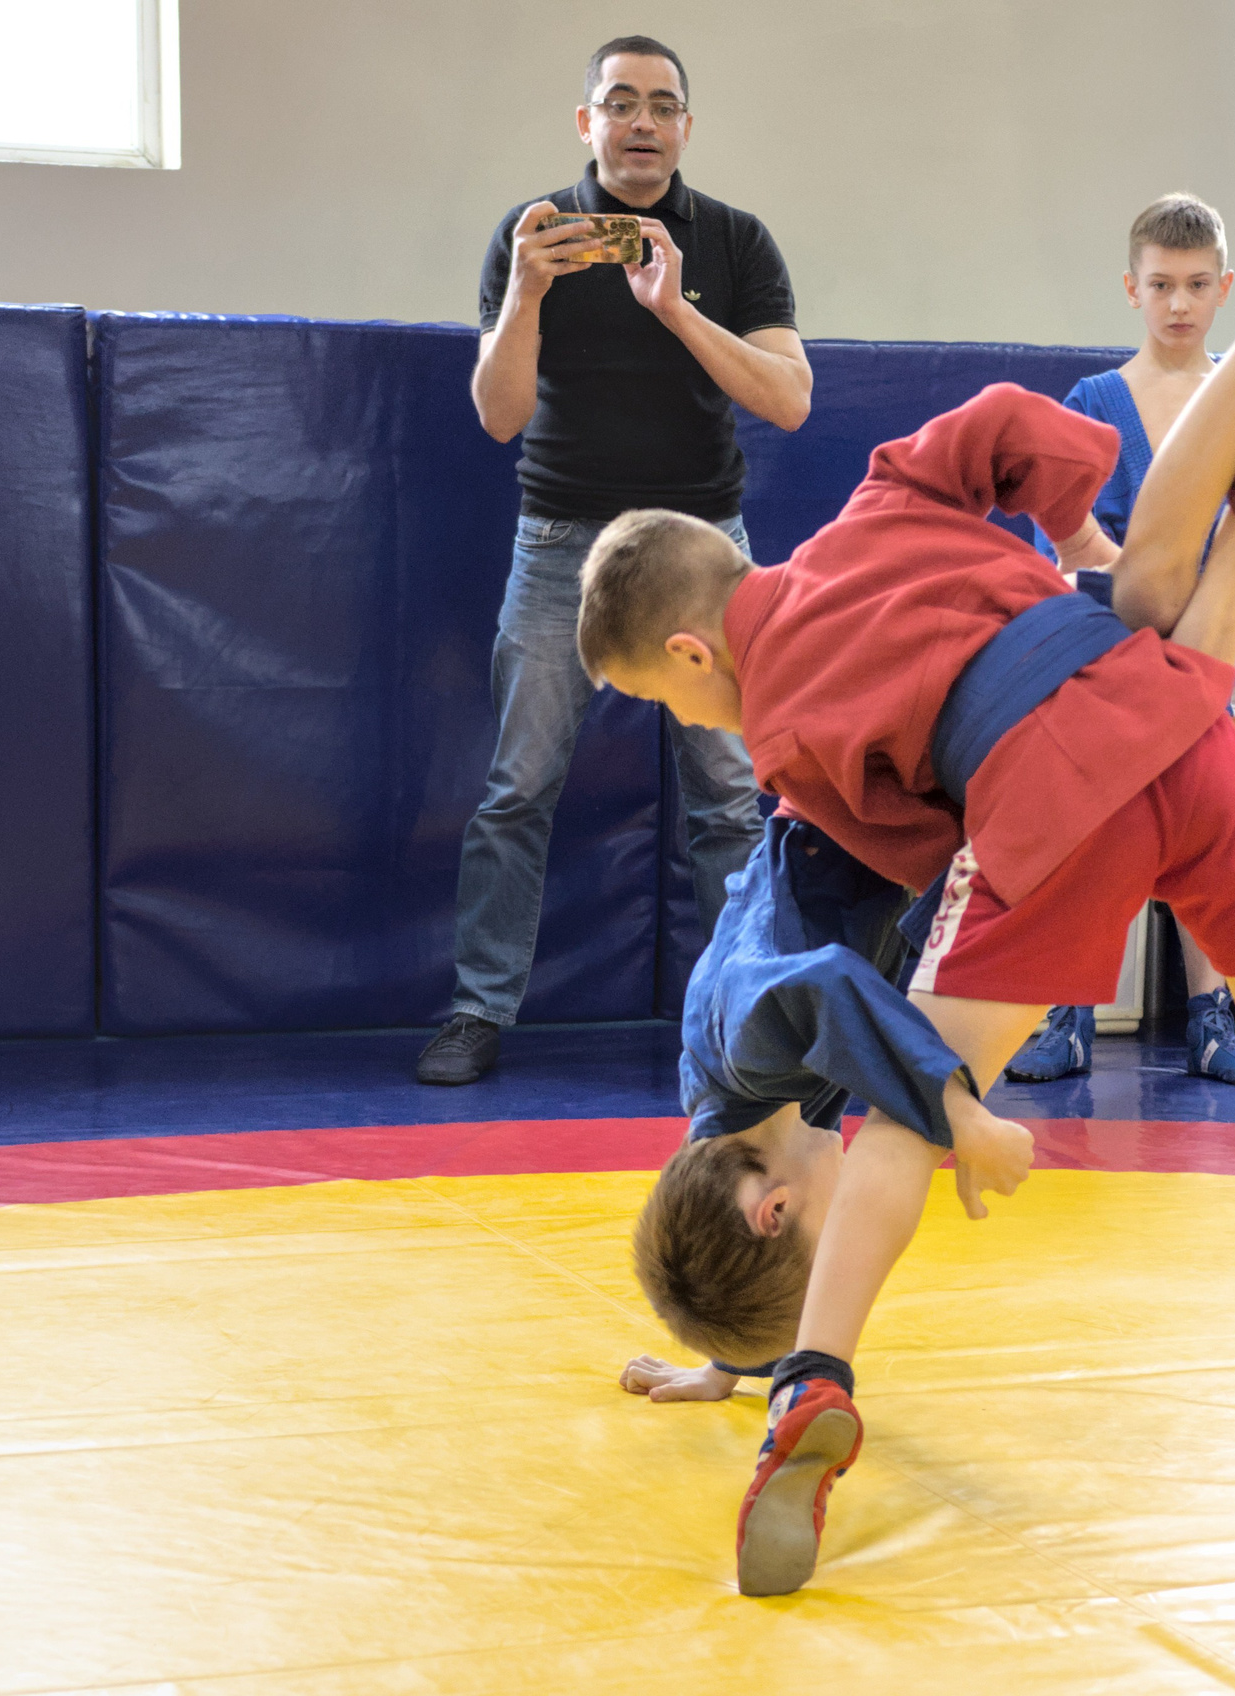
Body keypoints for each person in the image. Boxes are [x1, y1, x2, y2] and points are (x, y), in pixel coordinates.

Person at [577, 196, 1235, 1598]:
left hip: (1041, 778)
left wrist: (962, 1094)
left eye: (673, 702)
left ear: (688, 652)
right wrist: (1071, 527)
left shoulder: (778, 737)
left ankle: (812, 1393)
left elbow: (925, 854)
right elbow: (1012, 421)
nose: (700, 726)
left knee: (908, 1098)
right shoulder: (881, 494)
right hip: (1166, 732)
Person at [417, 35, 812, 1087]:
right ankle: (477, 1007)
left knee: (731, 794)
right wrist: (529, 295)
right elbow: (497, 418)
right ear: (586, 123)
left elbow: (789, 399)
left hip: (703, 554)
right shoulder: (533, 232)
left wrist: (674, 306)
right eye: (620, 102)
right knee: (516, 786)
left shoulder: (733, 241)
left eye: (663, 105)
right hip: (560, 544)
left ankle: (751, 1013)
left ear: (686, 126)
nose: (642, 122)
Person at [1009, 192, 1235, 1089]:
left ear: (1225, 291)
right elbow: (1053, 540)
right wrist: (1137, 581)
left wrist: (1207, 598)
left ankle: (1212, 1020)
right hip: (1106, 659)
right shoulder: (1093, 404)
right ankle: (1068, 1010)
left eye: (1197, 285)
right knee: (1089, 830)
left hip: (1212, 662)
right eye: (1162, 284)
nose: (1179, 303)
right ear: (1131, 288)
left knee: (1210, 830)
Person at [619, 807, 1034, 1396]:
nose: (850, 1226)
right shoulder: (753, 1129)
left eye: (834, 1237)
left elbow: (830, 987)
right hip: (882, 822)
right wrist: (727, 1359)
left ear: (777, 1210)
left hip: (862, 788)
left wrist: (964, 1121)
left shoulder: (747, 1049)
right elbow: (729, 1239)